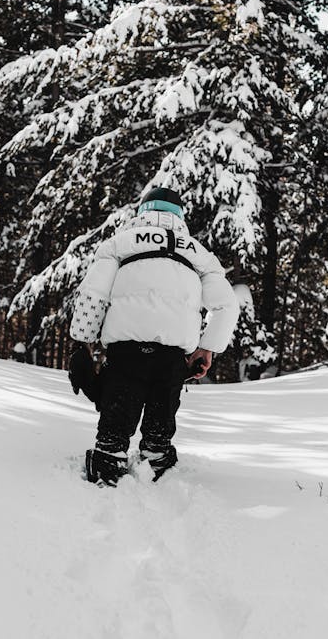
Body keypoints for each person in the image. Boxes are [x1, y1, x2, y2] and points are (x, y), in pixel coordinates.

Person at [70, 187, 240, 485]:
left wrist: (84, 342)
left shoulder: (117, 244)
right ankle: (156, 455)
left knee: (119, 404)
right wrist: (207, 349)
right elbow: (227, 306)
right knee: (163, 404)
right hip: (173, 351)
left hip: (126, 347)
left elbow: (92, 295)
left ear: (142, 213)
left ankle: (109, 458)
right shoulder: (200, 255)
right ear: (180, 217)